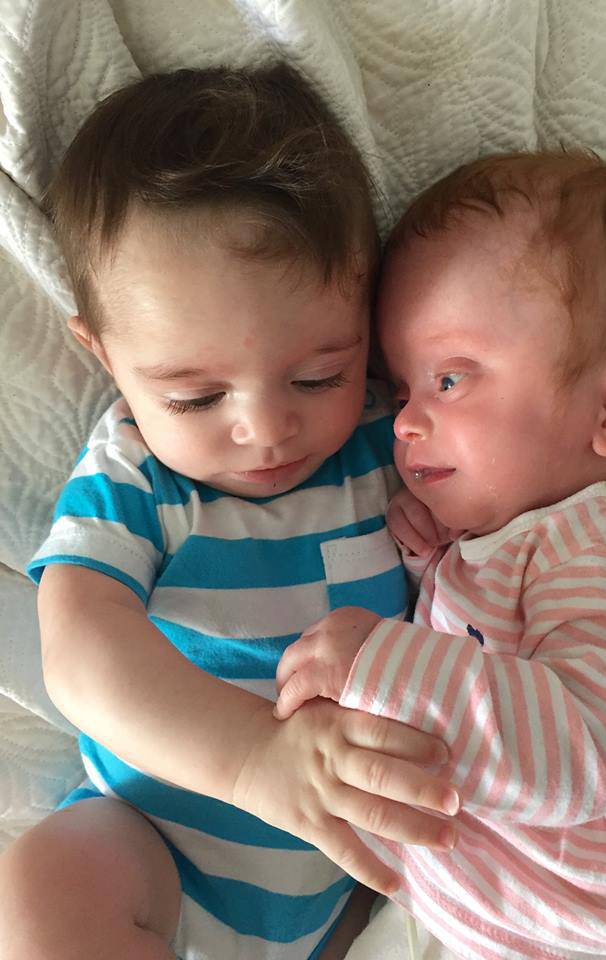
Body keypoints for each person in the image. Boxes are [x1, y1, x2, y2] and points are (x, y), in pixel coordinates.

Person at [0, 64, 462, 960]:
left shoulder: (391, 436)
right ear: (106, 355)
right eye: (196, 397)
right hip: (160, 847)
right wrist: (254, 759)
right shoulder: (139, 477)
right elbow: (81, 652)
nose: (265, 429)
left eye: (318, 375)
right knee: (41, 892)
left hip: (365, 884)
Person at [274, 151, 606, 960]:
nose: (403, 422)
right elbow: (506, 652)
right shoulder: (555, 532)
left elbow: (585, 746)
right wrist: (438, 568)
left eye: (449, 380)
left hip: (595, 930)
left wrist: (380, 664)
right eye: (402, 389)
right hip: (490, 908)